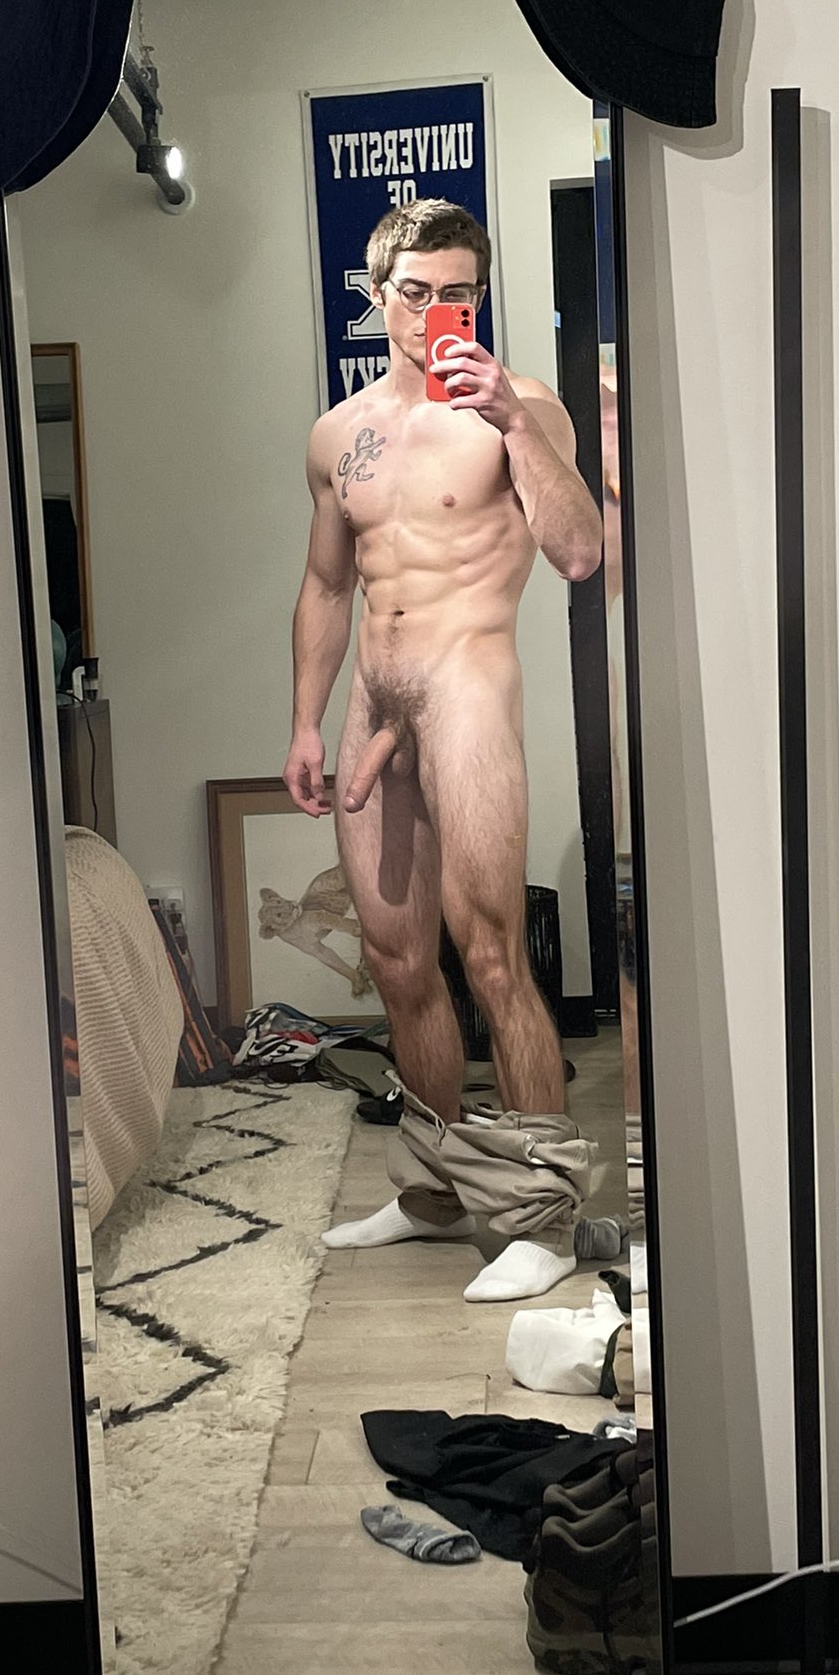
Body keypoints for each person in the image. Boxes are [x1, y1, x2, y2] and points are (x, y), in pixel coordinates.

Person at [283, 197, 606, 1302]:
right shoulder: (338, 436)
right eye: (416, 293)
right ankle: (432, 1193)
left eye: (457, 292)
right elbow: (327, 584)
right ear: (379, 296)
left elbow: (579, 550)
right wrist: (304, 720)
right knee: (396, 963)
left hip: (468, 691)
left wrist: (513, 419)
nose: (435, 314)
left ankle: (542, 1216)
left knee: (492, 953)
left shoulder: (524, 407)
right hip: (372, 708)